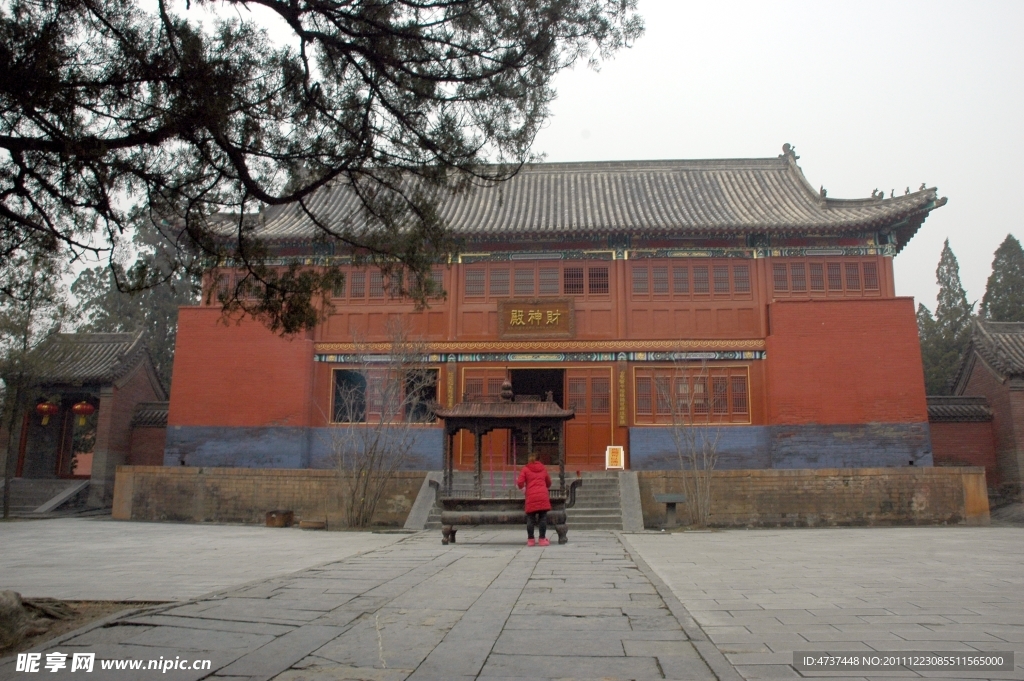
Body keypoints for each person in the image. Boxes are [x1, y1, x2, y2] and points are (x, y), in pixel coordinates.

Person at [516, 453, 552, 546]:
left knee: (530, 519)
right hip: (542, 495)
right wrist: (544, 486)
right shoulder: (543, 468)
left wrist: (523, 488)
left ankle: (531, 540)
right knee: (543, 518)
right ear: (539, 460)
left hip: (531, 496)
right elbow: (549, 482)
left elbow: (520, 482)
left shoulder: (525, 469)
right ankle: (542, 539)